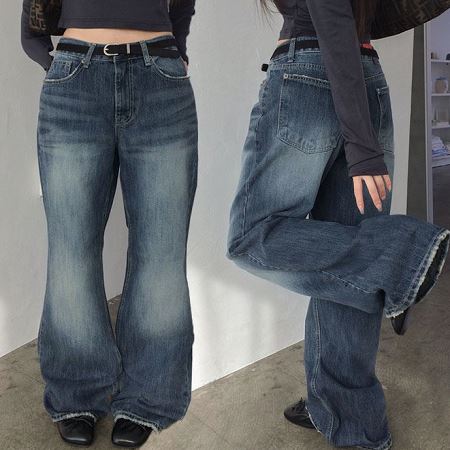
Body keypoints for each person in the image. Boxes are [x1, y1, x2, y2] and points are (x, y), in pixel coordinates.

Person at [226, 1, 450, 449]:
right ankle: (354, 425)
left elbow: (330, 12)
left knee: (252, 236)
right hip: (362, 76)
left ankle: (400, 260)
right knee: (349, 271)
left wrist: (362, 149)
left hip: (310, 78)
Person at [21, 0, 197, 447]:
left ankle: (148, 397)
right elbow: (32, 20)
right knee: (71, 250)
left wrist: (177, 48)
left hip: (160, 76)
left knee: (161, 250)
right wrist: (52, 60)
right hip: (75, 77)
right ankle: (77, 393)